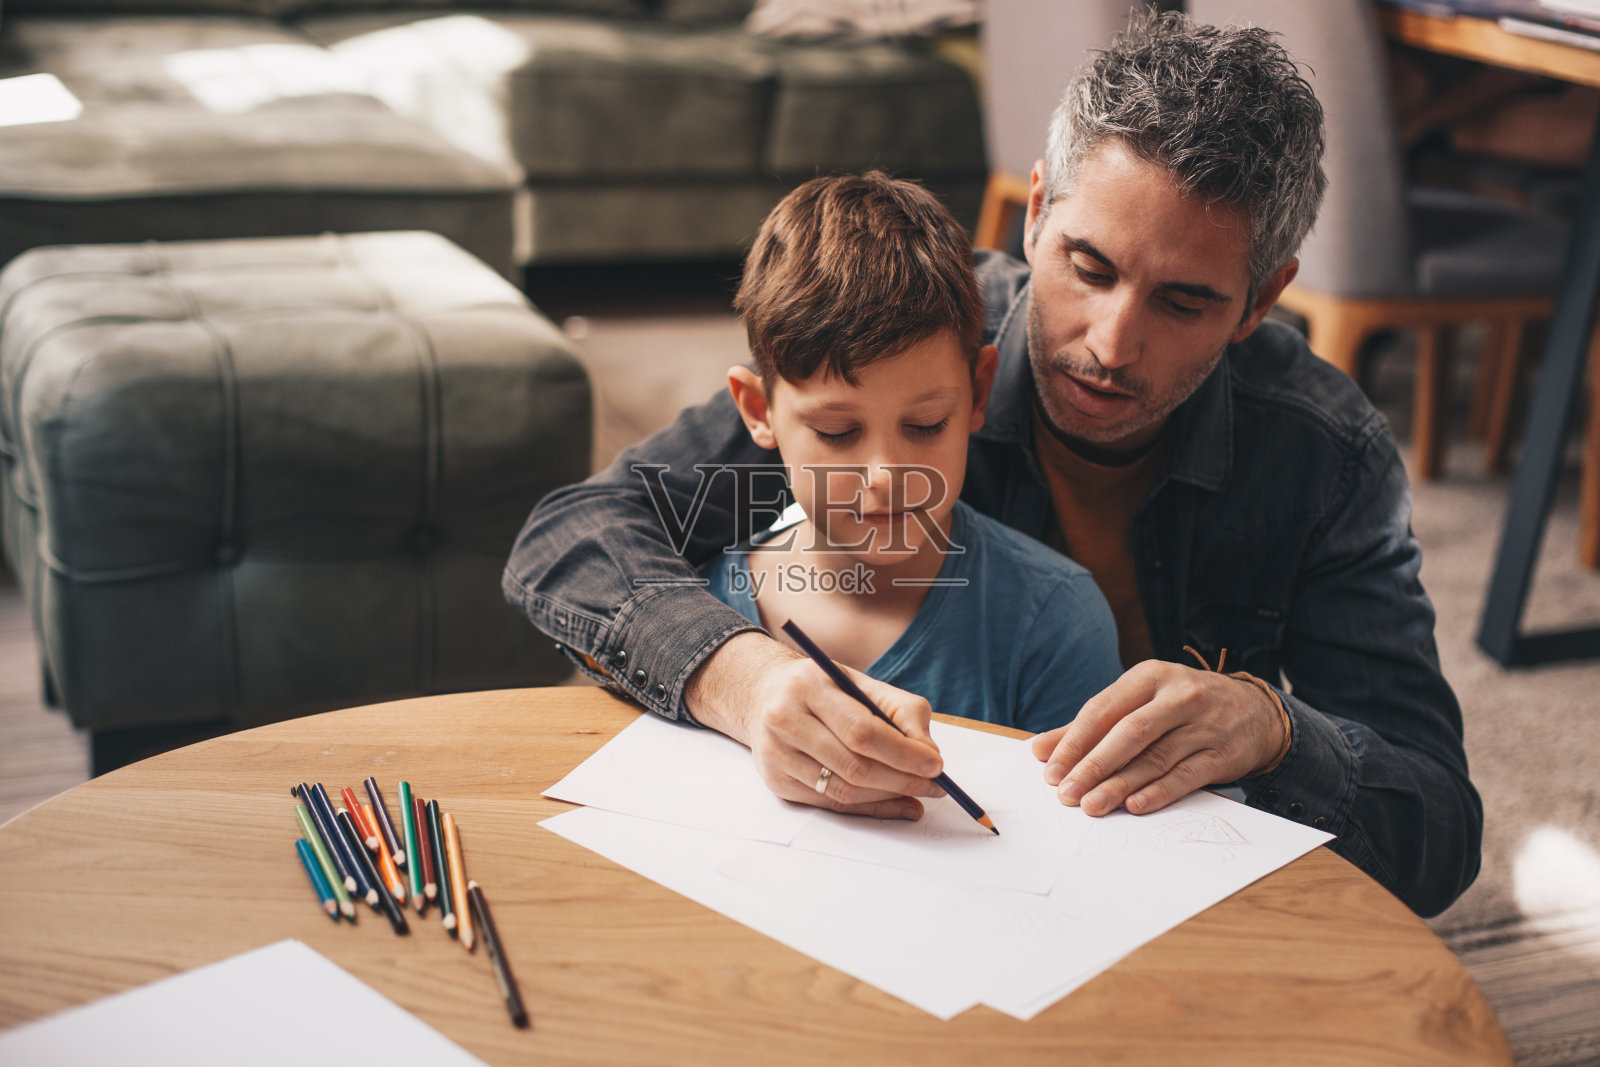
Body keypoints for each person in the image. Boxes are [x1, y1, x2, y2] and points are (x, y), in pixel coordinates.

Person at [504, 12, 1483, 917]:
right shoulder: (911, 338)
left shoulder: (1323, 451)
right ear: (1037, 210)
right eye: (1088, 267)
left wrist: (1273, 728)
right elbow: (575, 535)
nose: (1109, 343)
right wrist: (744, 676)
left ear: (1261, 301)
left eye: (1183, 302)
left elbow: (1437, 828)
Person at [704, 171, 1122, 742]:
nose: (885, 476)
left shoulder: (1055, 622)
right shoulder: (703, 598)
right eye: (836, 432)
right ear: (758, 410)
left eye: (925, 426)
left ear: (978, 393)